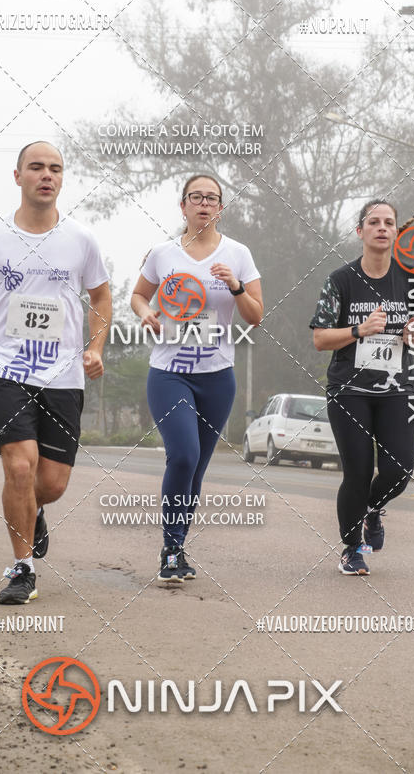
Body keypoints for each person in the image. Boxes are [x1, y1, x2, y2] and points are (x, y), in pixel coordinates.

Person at [0, 141, 111, 603]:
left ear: (62, 179)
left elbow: (101, 298)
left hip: (62, 374)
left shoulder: (81, 240)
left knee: (51, 484)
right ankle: (23, 569)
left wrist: (95, 347)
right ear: (17, 176)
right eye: (36, 167)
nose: (47, 175)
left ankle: (35, 510)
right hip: (5, 366)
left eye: (55, 169)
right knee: (19, 466)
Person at [131, 175, 263, 583]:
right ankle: (170, 548)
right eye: (196, 197)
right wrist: (145, 314)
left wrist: (236, 286)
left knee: (198, 468)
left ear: (220, 208)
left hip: (217, 377)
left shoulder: (238, 254)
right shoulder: (163, 253)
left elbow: (256, 316)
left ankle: (177, 547)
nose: (204, 204)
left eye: (212, 198)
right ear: (183, 205)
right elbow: (138, 295)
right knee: (183, 455)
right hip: (170, 373)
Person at [310, 199, 414, 575]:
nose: (381, 227)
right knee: (357, 473)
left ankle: (372, 509)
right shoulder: (340, 280)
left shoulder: (412, 281)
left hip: (396, 389)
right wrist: (360, 329)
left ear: (396, 232)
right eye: (373, 222)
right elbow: (321, 339)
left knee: (400, 470)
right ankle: (351, 549)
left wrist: (409, 334)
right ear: (360, 231)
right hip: (349, 392)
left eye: (388, 222)